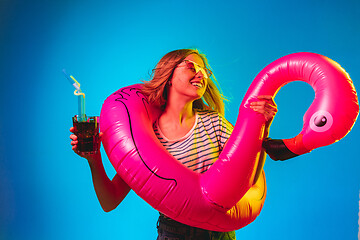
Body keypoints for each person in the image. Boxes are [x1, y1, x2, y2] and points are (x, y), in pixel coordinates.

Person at [70, 49, 277, 240]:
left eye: (205, 71)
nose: (202, 74)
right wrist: (94, 158)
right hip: (172, 234)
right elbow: (110, 201)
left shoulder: (215, 125)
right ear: (169, 75)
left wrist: (262, 129)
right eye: (191, 66)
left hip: (218, 235)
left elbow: (247, 180)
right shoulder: (145, 138)